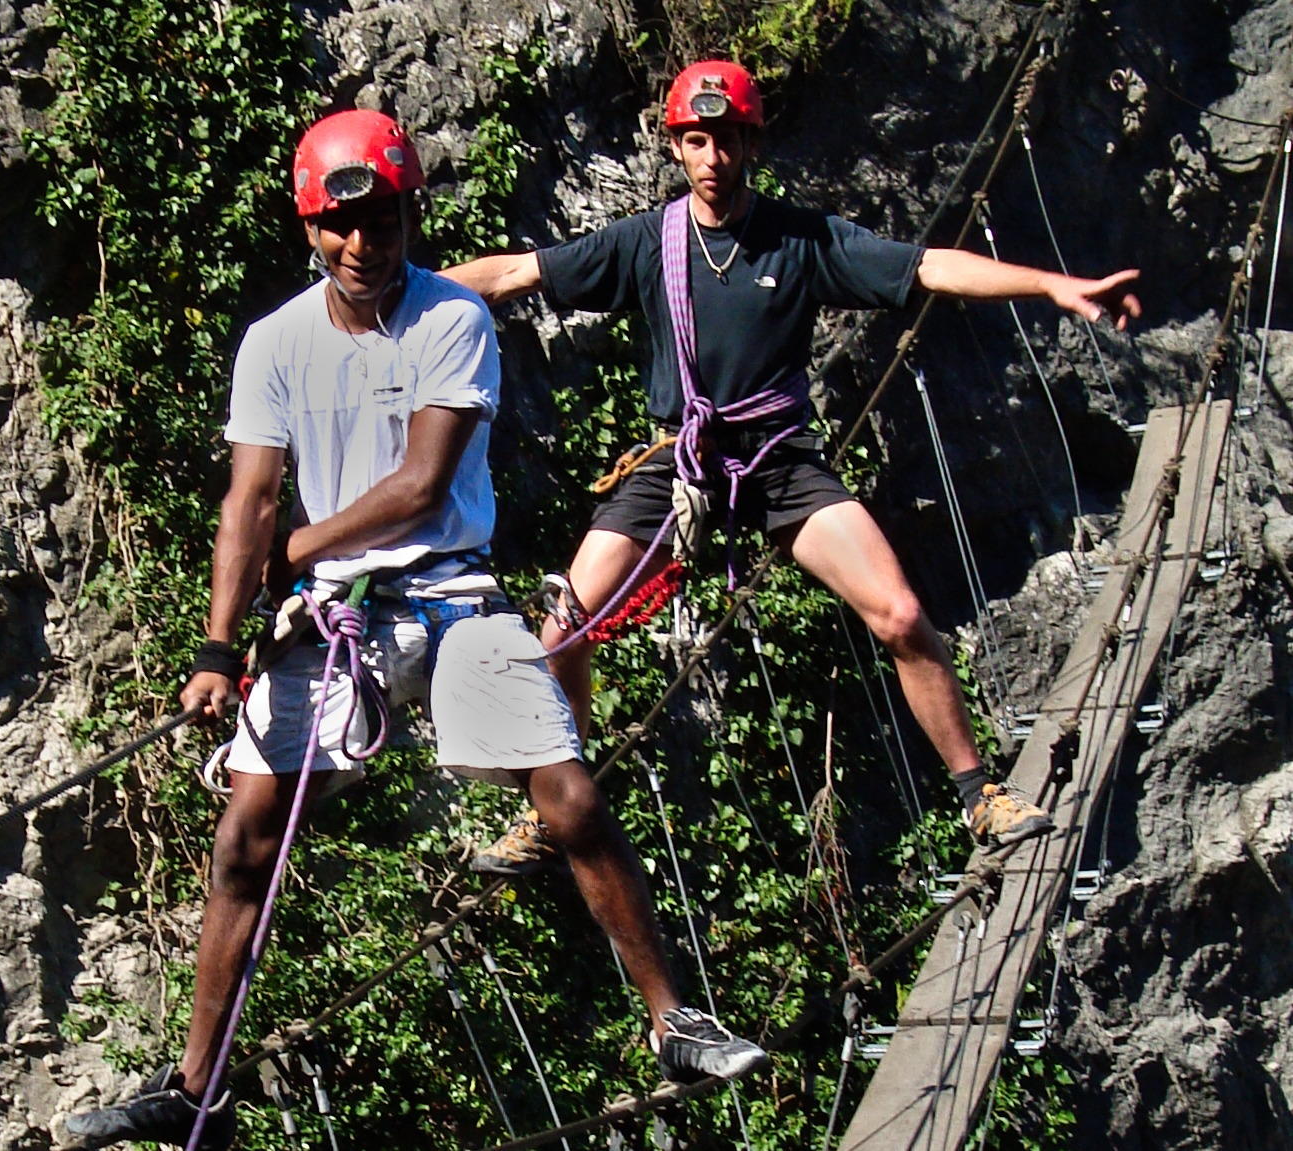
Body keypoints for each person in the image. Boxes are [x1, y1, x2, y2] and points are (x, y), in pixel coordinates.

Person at [63, 108, 768, 1151]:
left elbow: (420, 484)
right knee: (245, 834)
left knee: (567, 793)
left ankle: (672, 1019)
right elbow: (247, 499)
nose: (362, 244)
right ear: (309, 226)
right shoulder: (275, 343)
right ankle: (195, 1090)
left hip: (450, 591)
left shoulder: (452, 317)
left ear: (408, 217)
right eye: (339, 226)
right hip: (339, 614)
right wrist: (216, 647)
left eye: (382, 222)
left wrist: (297, 550)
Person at [441, 60, 1142, 875]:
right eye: (696, 141)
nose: (711, 158)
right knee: (565, 627)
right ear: (676, 146)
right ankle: (550, 812)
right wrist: (403, 299)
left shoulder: (801, 238)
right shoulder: (646, 242)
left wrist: (1052, 286)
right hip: (680, 458)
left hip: (778, 458)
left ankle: (978, 793)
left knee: (899, 615)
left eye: (726, 140)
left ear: (751, 144)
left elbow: (926, 267)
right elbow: (513, 272)